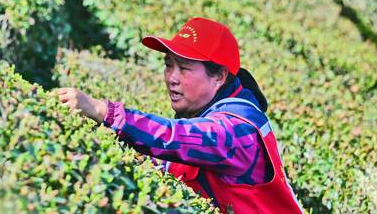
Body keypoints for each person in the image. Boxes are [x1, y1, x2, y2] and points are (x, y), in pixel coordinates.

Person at [55, 17, 304, 214]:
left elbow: (177, 138)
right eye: (168, 65)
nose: (172, 78)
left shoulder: (238, 130)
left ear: (219, 77)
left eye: (184, 68)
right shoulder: (206, 111)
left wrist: (103, 111)